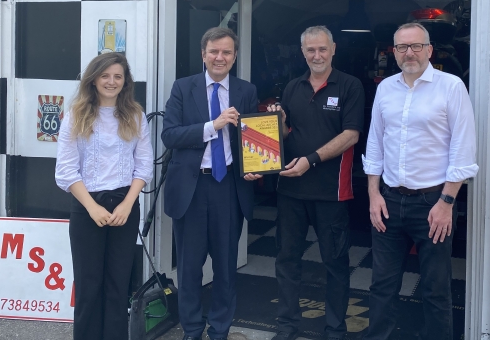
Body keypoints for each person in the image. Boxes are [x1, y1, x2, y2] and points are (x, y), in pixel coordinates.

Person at [363, 23, 477, 340]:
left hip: (433, 205)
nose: (409, 53)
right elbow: (375, 143)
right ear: (394, 52)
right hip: (388, 201)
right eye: (402, 47)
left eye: (416, 46)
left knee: (435, 289)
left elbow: (463, 149)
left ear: (429, 50)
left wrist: (447, 203)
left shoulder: (451, 87)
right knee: (381, 285)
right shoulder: (385, 88)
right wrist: (373, 193)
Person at [161, 27, 260, 340]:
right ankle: (191, 330)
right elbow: (169, 135)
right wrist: (211, 126)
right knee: (189, 268)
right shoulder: (182, 87)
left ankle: (219, 330)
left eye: (227, 52)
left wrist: (253, 166)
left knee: (226, 268)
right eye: (214, 52)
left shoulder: (246, 90)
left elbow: (252, 139)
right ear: (203, 55)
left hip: (229, 187)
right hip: (192, 189)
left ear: (233, 57)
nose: (220, 57)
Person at [268, 26, 365, 340]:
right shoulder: (293, 87)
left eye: (322, 49)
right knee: (286, 260)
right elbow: (288, 134)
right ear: (302, 52)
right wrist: (279, 124)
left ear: (333, 49)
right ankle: (286, 327)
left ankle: (335, 329)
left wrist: (310, 160)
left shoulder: (349, 85)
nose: (317, 55)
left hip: (331, 192)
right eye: (310, 50)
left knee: (335, 264)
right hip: (291, 191)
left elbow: (351, 135)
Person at [55, 52, 153, 340]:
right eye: (105, 75)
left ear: (125, 81)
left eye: (118, 76)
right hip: (87, 205)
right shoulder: (76, 114)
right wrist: (92, 208)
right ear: (94, 79)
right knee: (88, 286)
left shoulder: (136, 115)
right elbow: (66, 170)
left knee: (117, 285)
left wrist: (127, 203)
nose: (111, 81)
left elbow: (144, 165)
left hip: (125, 204)